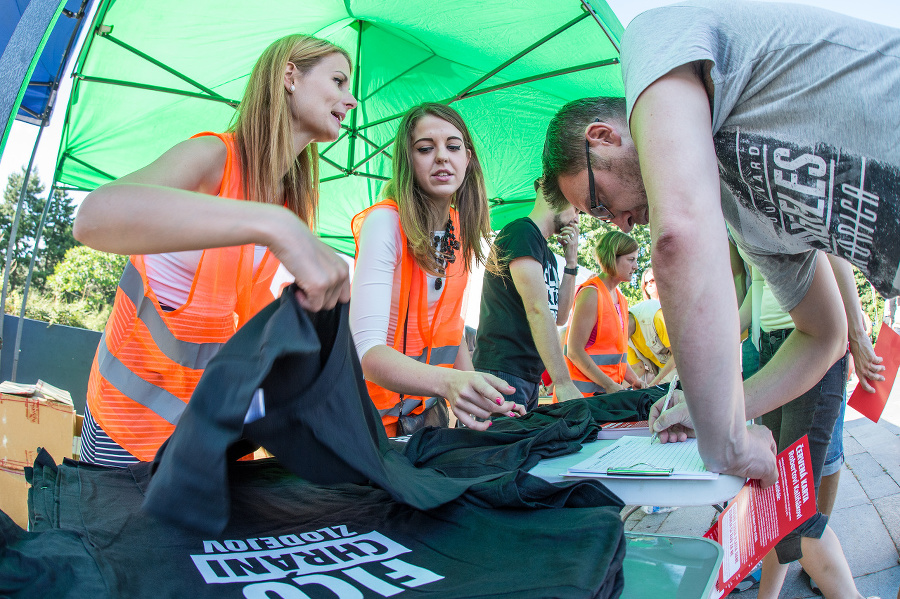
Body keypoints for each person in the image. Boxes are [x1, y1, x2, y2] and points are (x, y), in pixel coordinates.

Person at [541, 4, 891, 596]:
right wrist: (720, 407)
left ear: (604, 136)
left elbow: (676, 238)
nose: (619, 220)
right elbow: (822, 334)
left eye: (600, 204)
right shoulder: (743, 212)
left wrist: (726, 437)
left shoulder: (653, 43)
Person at [72, 34, 358, 466]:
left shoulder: (289, 201)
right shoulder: (213, 157)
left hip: (203, 441)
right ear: (289, 76)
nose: (350, 100)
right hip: (127, 428)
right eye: (338, 81)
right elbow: (92, 217)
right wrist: (274, 225)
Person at [349, 102, 525, 437]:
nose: (442, 157)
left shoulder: (460, 229)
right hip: (363, 423)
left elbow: (451, 331)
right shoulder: (385, 223)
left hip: (424, 418)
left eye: (453, 146)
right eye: (426, 148)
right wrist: (451, 383)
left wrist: (476, 395)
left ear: (467, 159)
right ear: (408, 161)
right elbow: (367, 354)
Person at [472, 179, 582, 410]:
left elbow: (559, 317)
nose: (577, 218)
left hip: (527, 375)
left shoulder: (546, 252)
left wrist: (571, 262)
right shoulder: (522, 233)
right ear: (554, 189)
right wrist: (563, 382)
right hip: (504, 371)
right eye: (577, 208)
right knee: (505, 445)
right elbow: (537, 309)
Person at [559, 230, 644, 397]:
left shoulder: (621, 299)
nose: (636, 266)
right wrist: (609, 384)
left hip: (605, 399)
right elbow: (574, 351)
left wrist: (635, 380)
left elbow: (616, 357)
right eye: (631, 260)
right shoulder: (591, 293)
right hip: (581, 402)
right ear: (613, 258)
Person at [626, 289, 676, 386]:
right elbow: (638, 368)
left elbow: (677, 356)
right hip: (663, 371)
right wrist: (618, 389)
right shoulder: (624, 338)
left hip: (683, 365)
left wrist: (654, 384)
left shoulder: (653, 317)